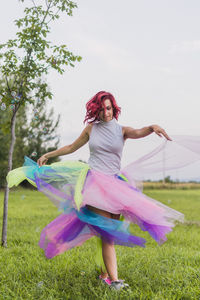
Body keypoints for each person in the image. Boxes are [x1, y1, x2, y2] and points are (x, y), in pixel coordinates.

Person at [7, 91, 184, 291]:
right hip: (94, 186)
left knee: (107, 233)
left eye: (108, 108)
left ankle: (104, 275)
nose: (105, 113)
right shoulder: (91, 129)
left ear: (113, 108)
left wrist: (152, 127)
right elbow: (71, 147)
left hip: (117, 186)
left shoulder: (122, 130)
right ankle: (115, 283)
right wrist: (49, 153)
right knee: (108, 235)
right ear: (95, 110)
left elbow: (138, 131)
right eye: (101, 109)